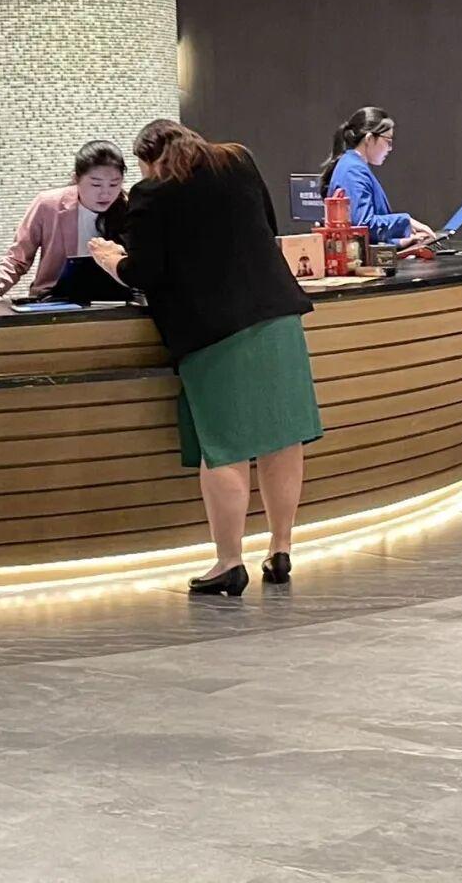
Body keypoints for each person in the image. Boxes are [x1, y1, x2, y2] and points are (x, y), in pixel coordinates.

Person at [89, 120, 322, 598]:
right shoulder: (238, 161)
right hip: (278, 317)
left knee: (225, 448)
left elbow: (145, 271)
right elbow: (268, 227)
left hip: (214, 333)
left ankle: (229, 562)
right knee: (283, 438)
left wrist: (111, 260)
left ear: (148, 160)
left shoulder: (152, 193)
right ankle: (280, 549)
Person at [0, 140, 128, 304]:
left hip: (117, 301)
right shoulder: (48, 205)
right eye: (96, 185)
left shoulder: (129, 207)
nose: (105, 193)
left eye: (114, 184)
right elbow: (17, 259)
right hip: (54, 299)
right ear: (76, 179)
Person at [321, 107, 434, 246]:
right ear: (369, 138)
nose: (390, 148)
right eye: (388, 141)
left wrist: (400, 242)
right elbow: (362, 226)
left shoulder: (352, 165)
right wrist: (406, 221)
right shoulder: (353, 170)